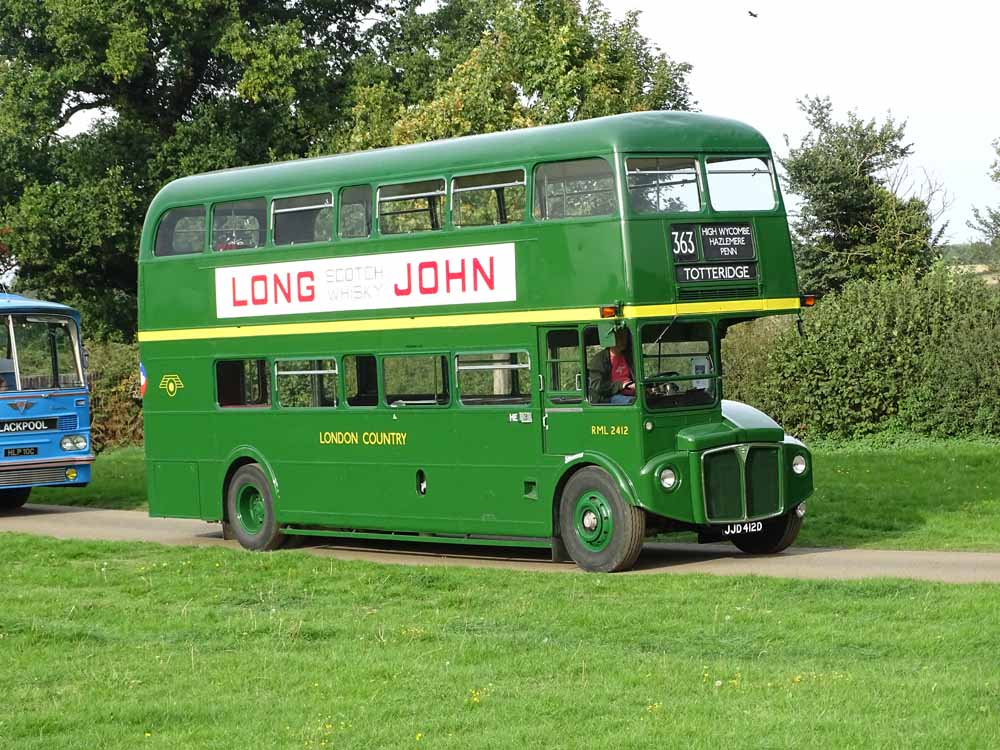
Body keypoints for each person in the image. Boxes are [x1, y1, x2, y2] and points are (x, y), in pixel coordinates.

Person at [588, 327, 636, 405]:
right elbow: (597, 386)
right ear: (610, 338)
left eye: (625, 336)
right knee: (633, 402)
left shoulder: (629, 357)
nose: (623, 340)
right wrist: (622, 385)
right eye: (619, 336)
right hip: (609, 397)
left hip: (633, 394)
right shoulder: (599, 360)